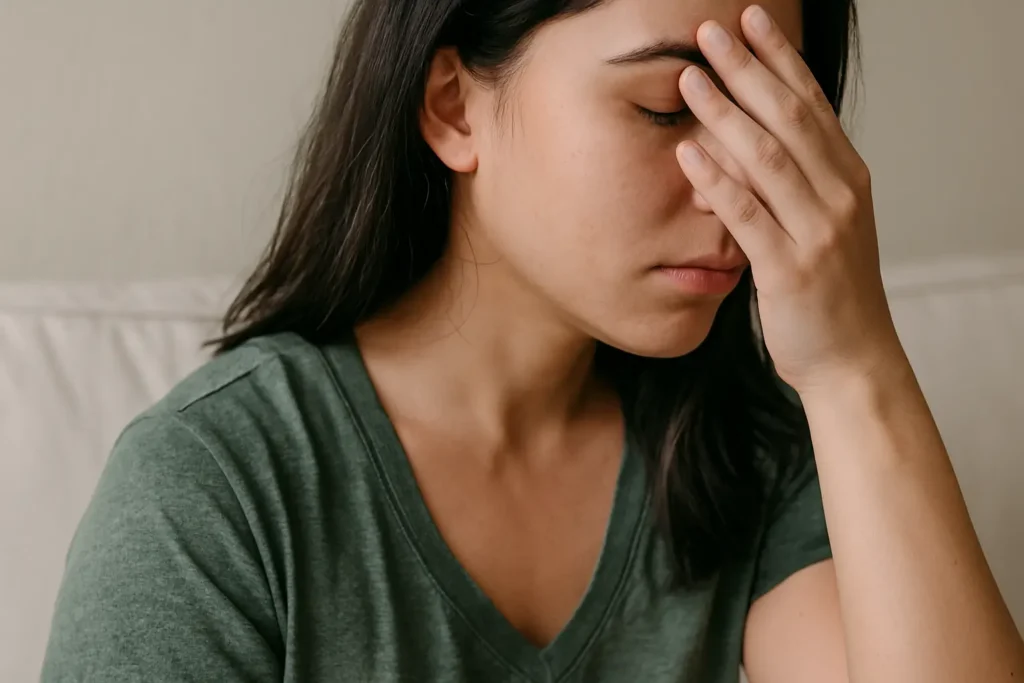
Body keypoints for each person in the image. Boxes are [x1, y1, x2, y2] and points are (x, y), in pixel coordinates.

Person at [41, 0, 1024, 680]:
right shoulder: (214, 491)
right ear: (454, 105)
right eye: (665, 108)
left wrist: (855, 365)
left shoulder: (751, 458)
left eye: (768, 120)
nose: (734, 185)